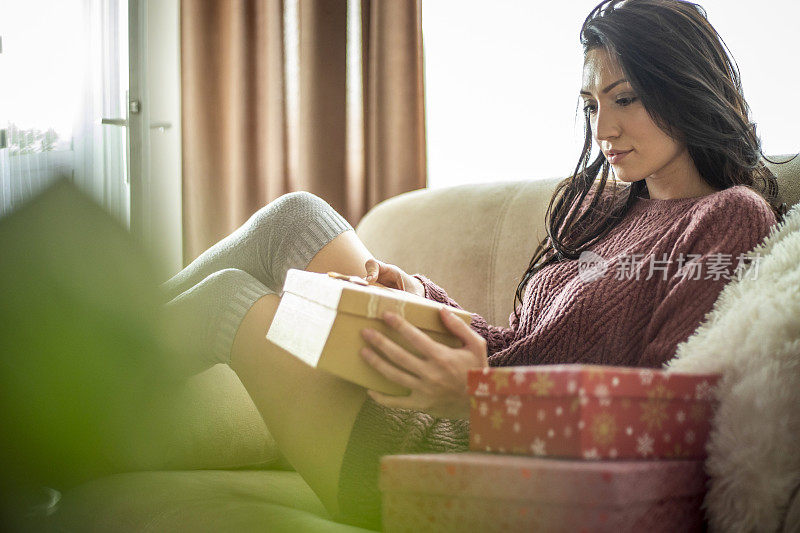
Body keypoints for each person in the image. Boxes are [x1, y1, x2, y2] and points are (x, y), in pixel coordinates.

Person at [160, 0, 789, 529]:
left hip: (471, 462)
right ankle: (74, 372)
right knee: (298, 218)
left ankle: (64, 419)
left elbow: (660, 419)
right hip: (454, 403)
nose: (603, 129)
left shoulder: (728, 218)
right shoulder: (605, 208)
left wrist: (477, 400)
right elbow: (515, 346)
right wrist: (412, 292)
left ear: (683, 86)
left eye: (624, 99)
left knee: (227, 301)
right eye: (593, 104)